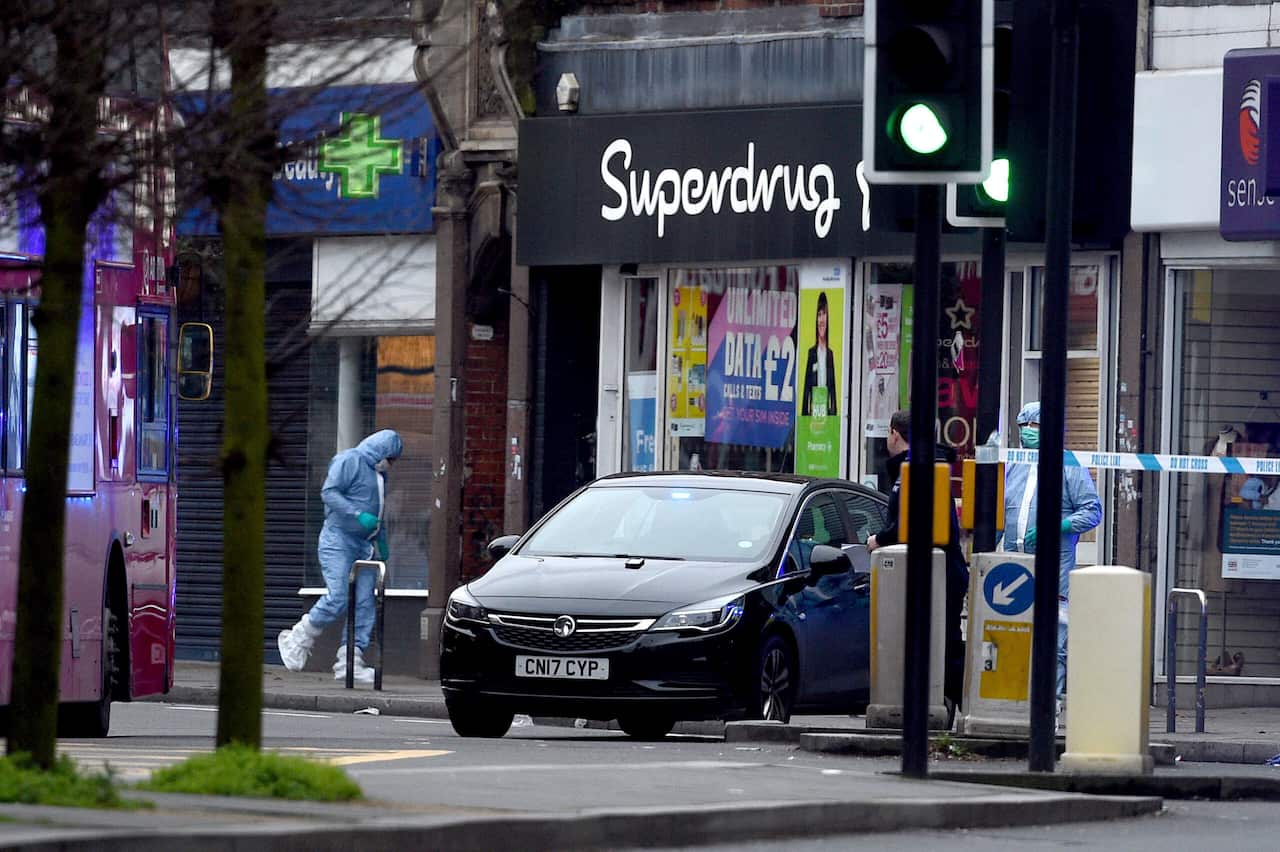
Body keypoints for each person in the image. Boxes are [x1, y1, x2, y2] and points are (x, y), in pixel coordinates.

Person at [866, 409, 969, 724]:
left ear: (895, 433)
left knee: (941, 641)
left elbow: (913, 522)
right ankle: (945, 701)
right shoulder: (924, 466)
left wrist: (879, 540)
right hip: (940, 568)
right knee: (939, 639)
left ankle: (955, 699)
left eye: (888, 434)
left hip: (936, 570)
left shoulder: (916, 469)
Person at [1001, 401, 1102, 722]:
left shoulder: (1069, 466)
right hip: (1014, 562)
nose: (1027, 434)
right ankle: (1012, 699)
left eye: (1034, 428)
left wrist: (1054, 526)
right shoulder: (1016, 463)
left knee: (1054, 632)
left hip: (1052, 565)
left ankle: (1049, 702)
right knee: (1010, 629)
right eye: (1023, 428)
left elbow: (1092, 511)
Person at [277, 429, 403, 684]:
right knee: (338, 596)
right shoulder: (350, 460)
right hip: (338, 540)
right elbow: (329, 492)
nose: (390, 464)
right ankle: (297, 638)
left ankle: (350, 661)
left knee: (365, 602)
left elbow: (377, 510)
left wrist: (381, 538)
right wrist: (357, 514)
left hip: (364, 544)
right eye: (390, 458)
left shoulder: (378, 475)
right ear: (381, 451)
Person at [801, 291, 838, 417]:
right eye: (819, 314)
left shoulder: (830, 354)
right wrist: (805, 416)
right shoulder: (812, 353)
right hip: (813, 413)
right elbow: (806, 389)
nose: (821, 320)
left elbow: (833, 390)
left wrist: (833, 415)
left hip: (827, 412)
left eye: (824, 314)